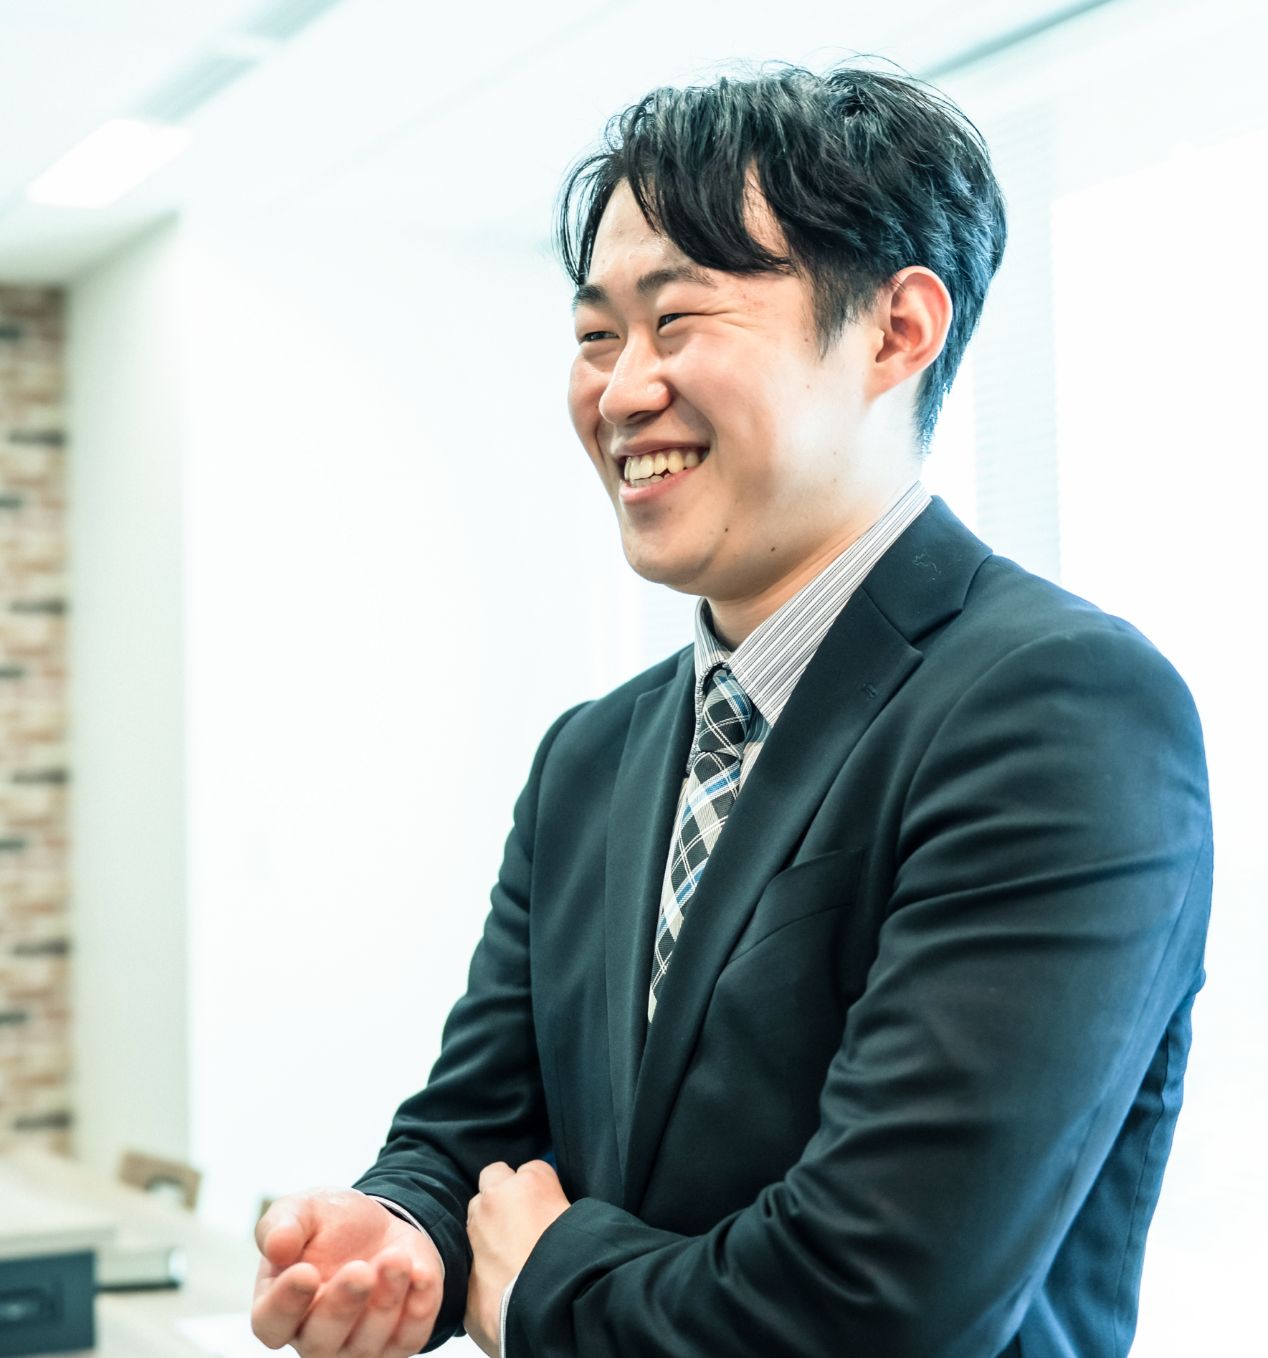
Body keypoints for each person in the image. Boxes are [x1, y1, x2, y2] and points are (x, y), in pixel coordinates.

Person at [250, 62, 1212, 1358]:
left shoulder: (1061, 711)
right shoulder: (591, 755)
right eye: (597, 336)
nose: (619, 390)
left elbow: (879, 1301)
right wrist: (403, 1229)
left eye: (678, 318)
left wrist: (544, 1287)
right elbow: (481, 1126)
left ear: (895, 332)